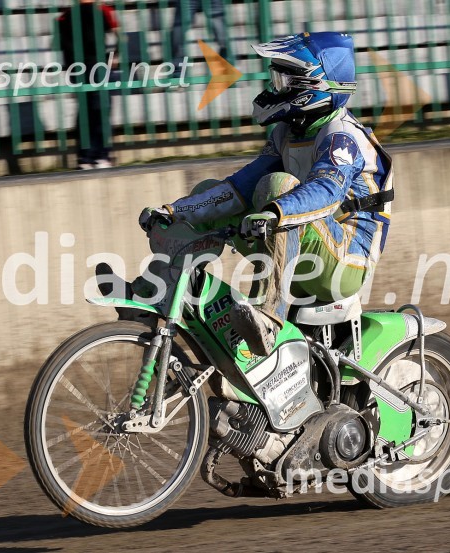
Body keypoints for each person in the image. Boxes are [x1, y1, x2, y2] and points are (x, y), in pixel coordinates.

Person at [139, 32, 394, 357]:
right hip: (302, 245)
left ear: (313, 85)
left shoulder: (341, 136)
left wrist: (275, 212)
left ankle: (268, 319)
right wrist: (174, 211)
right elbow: (238, 189)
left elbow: (326, 191)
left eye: (285, 80)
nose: (276, 88)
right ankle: (159, 288)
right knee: (208, 195)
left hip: (347, 261)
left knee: (277, 188)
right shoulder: (287, 133)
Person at [57, 0, 119, 169]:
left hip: (91, 66)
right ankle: (92, 155)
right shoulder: (71, 15)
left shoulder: (96, 11)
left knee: (94, 109)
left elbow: (118, 34)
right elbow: (117, 35)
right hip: (89, 66)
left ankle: (94, 155)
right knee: (93, 109)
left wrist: (115, 56)